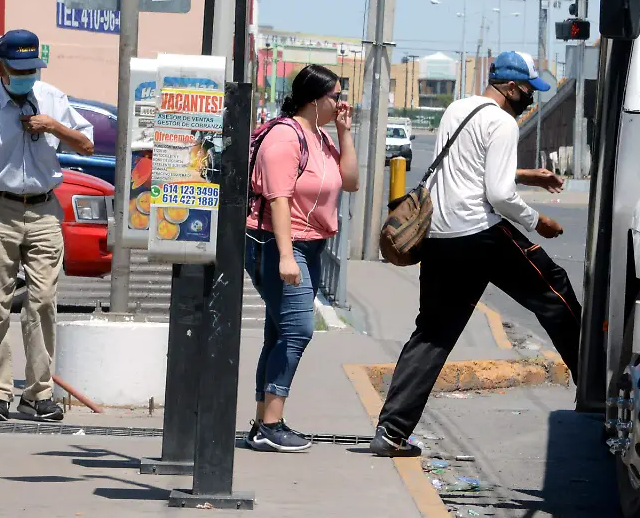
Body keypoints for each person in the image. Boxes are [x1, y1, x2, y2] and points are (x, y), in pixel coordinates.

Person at [370, 51, 582, 457]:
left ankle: (392, 431)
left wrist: (525, 173)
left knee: (432, 332)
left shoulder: (457, 108)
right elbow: (499, 194)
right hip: (479, 236)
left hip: (439, 236)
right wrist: (539, 221)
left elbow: (462, 166)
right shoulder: (502, 121)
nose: (531, 102)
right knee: (554, 292)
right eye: (528, 93)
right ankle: (595, 392)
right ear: (513, 88)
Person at [0, 29, 95, 422]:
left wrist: (53, 127)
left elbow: (86, 144)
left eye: (33, 69)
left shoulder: (53, 99)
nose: (28, 76)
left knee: (42, 302)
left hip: (44, 210)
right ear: (0, 68)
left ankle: (39, 394)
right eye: (19, 70)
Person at [244, 64, 358, 452]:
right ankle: (271, 424)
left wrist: (344, 133)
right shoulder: (284, 137)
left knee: (279, 332)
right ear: (314, 100)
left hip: (310, 244)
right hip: (280, 243)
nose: (341, 103)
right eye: (335, 97)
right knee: (298, 331)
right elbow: (279, 198)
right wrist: (286, 256)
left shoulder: (320, 137)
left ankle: (264, 424)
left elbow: (352, 180)